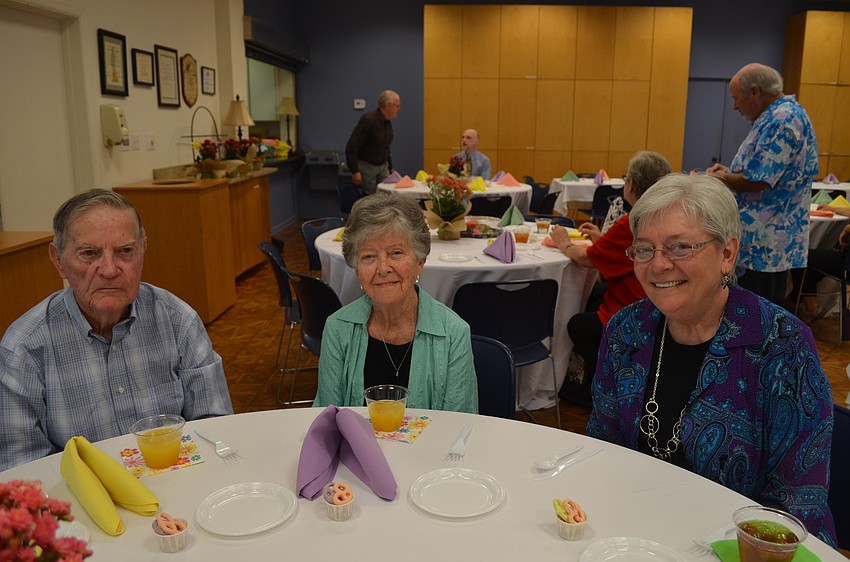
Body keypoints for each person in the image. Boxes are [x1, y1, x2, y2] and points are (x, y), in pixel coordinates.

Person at [587, 174, 837, 547]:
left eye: (680, 247)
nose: (658, 265)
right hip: (637, 537)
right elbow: (601, 446)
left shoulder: (782, 346)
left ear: (727, 254)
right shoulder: (627, 331)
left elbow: (797, 502)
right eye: (644, 249)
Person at [0, 189, 233, 471]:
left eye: (125, 251)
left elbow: (216, 427)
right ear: (58, 260)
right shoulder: (23, 349)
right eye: (89, 253)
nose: (109, 269)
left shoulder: (178, 321)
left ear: (143, 250)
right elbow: (23, 470)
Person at [314, 192, 477, 412]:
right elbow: (326, 420)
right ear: (356, 269)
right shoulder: (338, 328)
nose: (383, 268)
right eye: (369, 257)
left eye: (396, 253)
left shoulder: (453, 334)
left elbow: (459, 426)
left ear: (420, 262)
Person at [549, 151, 672, 406]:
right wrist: (600, 241)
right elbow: (618, 254)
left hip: (634, 310)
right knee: (594, 297)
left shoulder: (633, 222)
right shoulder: (663, 217)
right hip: (660, 304)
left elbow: (584, 260)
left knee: (577, 325)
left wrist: (562, 243)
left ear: (632, 185)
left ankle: (600, 386)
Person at [707, 63, 818, 307]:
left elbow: (760, 181)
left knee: (758, 316)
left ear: (755, 92)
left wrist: (719, 179)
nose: (735, 106)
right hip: (761, 240)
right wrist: (728, 172)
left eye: (736, 98)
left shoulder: (783, 119)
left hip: (767, 243)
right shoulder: (774, 116)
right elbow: (763, 171)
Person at [345, 90, 401, 195]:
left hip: (383, 166)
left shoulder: (387, 123)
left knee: (387, 196)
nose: (399, 109)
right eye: (397, 106)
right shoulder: (369, 120)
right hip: (367, 168)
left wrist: (390, 168)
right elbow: (351, 147)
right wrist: (355, 171)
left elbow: (386, 147)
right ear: (387, 105)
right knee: (371, 199)